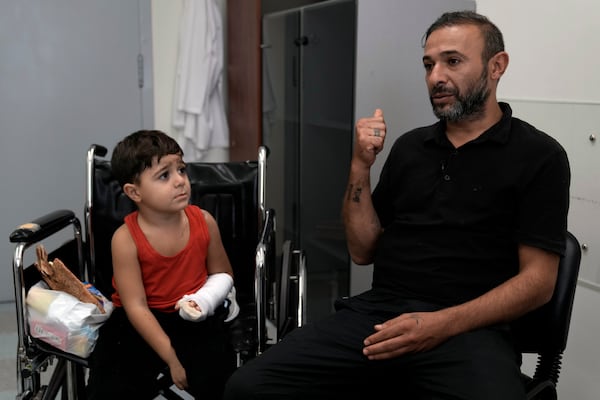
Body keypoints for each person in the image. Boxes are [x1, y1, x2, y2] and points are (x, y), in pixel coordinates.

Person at [223, 10, 570, 400]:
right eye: (428, 64)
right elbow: (362, 249)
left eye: (452, 61)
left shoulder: (539, 156)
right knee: (248, 388)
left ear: (497, 66)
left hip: (470, 329)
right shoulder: (411, 148)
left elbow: (538, 284)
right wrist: (359, 166)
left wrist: (440, 324)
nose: (436, 77)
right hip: (380, 316)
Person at [86, 130, 237, 399]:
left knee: (220, 377)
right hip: (138, 318)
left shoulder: (204, 222)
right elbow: (136, 307)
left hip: (192, 312)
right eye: (164, 175)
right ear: (134, 192)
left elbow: (222, 274)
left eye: (181, 169)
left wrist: (203, 301)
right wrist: (172, 358)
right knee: (110, 381)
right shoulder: (125, 239)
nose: (180, 181)